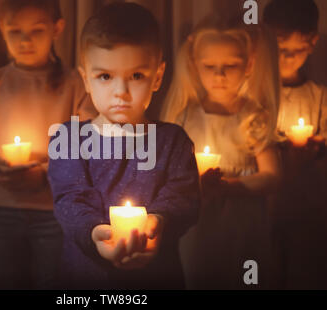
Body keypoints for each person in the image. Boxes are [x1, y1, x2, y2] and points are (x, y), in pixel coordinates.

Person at [48, 2, 200, 290]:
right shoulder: (68, 140)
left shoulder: (172, 142)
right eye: (105, 76)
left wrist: (158, 222)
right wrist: (96, 235)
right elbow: (69, 199)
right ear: (86, 80)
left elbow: (184, 198)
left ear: (157, 77)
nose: (121, 92)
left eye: (136, 76)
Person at [0, 0, 96, 290]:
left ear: (58, 28)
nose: (25, 40)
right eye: (15, 31)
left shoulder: (75, 86)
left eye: (37, 30)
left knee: (53, 281)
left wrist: (46, 173)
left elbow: (89, 146)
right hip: (1, 209)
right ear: (1, 30)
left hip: (55, 211)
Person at [161, 15, 282, 289]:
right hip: (199, 226)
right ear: (194, 65)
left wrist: (227, 187)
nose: (219, 75)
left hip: (242, 224)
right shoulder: (184, 118)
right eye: (210, 66)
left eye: (230, 65)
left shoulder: (253, 118)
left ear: (249, 65)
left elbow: (272, 176)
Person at [264, 0, 327, 289]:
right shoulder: (255, 96)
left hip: (306, 207)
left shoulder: (319, 98)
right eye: (277, 49)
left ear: (312, 43)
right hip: (263, 209)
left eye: (293, 51)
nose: (284, 58)